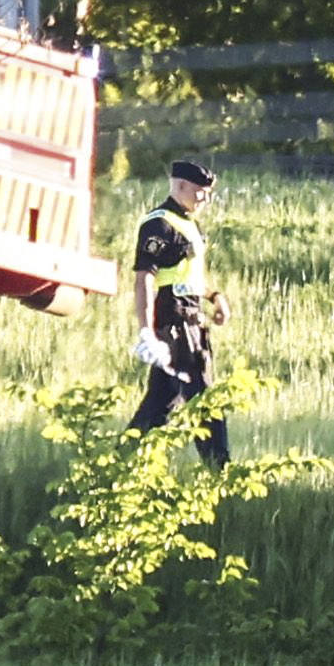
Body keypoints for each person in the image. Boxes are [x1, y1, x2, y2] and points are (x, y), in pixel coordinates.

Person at [125, 155, 227, 465]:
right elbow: (145, 278)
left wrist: (215, 296)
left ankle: (121, 466)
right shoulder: (159, 223)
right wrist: (146, 330)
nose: (205, 199)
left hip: (193, 316)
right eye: (200, 192)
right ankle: (219, 473)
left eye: (209, 194)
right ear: (180, 185)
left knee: (159, 405)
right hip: (174, 320)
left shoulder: (189, 224)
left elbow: (189, 277)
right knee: (204, 400)